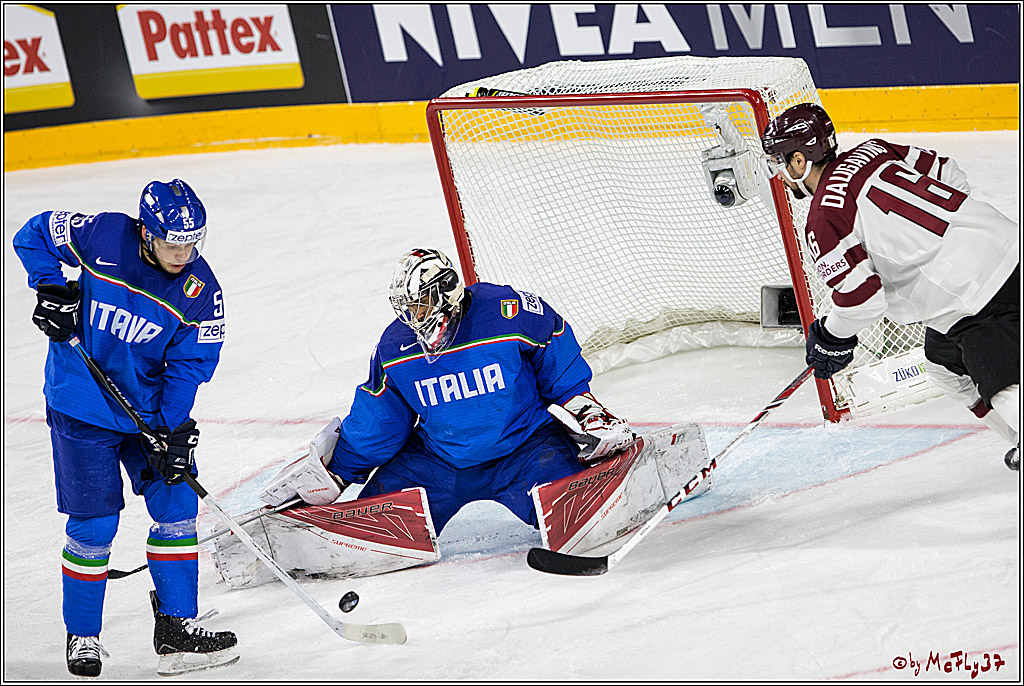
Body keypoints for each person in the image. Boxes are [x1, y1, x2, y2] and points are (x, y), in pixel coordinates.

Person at [12, 179, 237, 677]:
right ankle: (84, 636)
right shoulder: (104, 235)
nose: (183, 255)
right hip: (79, 404)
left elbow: (188, 367)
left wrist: (171, 432)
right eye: (172, 244)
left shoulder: (203, 293)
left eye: (191, 244)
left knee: (177, 504)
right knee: (94, 527)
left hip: (147, 416)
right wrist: (50, 287)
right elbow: (32, 234)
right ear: (146, 233)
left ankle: (177, 627)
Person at [260, 248, 634, 535]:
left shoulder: (510, 312)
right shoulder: (395, 347)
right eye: (408, 308)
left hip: (526, 450)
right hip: (438, 463)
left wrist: (586, 410)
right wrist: (337, 472)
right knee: (368, 528)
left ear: (446, 292)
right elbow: (380, 423)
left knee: (584, 513)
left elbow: (560, 365)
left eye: (420, 304)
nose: (413, 316)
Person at [760, 104, 1020, 471]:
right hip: (1007, 242)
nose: (779, 174)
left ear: (800, 161)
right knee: (943, 365)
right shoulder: (874, 150)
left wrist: (830, 337)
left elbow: (862, 300)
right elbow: (949, 171)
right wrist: (948, 237)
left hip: (972, 297)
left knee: (1001, 383)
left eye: (779, 162)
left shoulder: (823, 218)